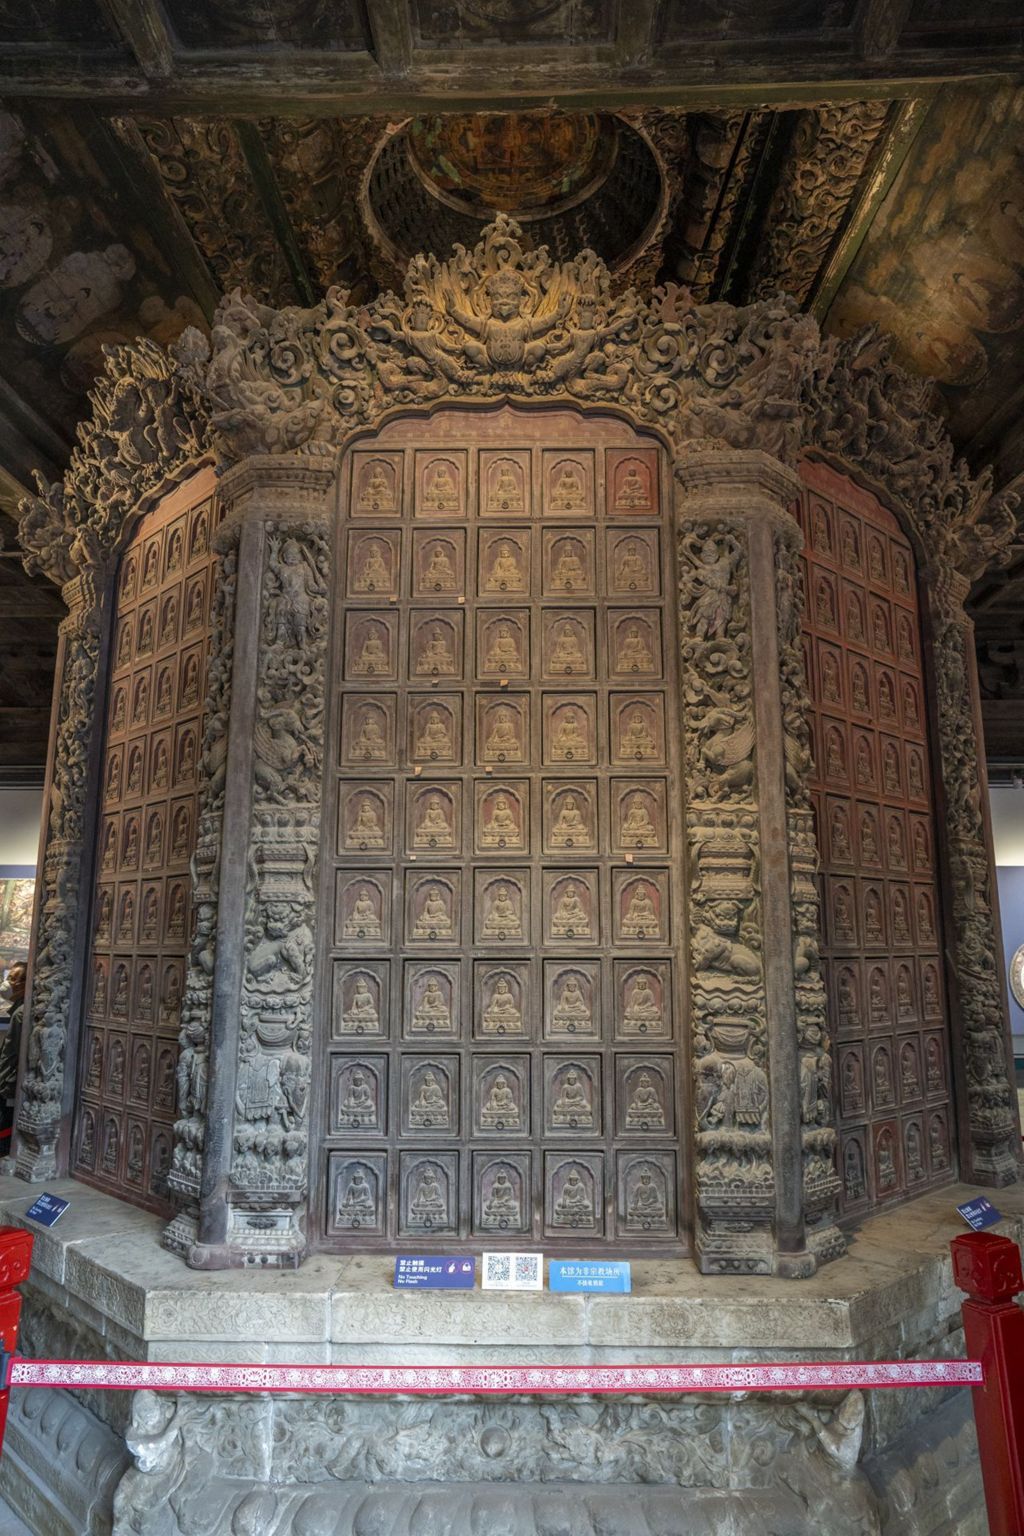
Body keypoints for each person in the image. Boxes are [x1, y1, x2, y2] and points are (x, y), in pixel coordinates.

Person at [0, 961, 26, 1155]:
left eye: (12, 979)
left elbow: (15, 1053)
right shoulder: (18, 1010)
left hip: (8, 1083)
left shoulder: (20, 1014)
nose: (7, 983)